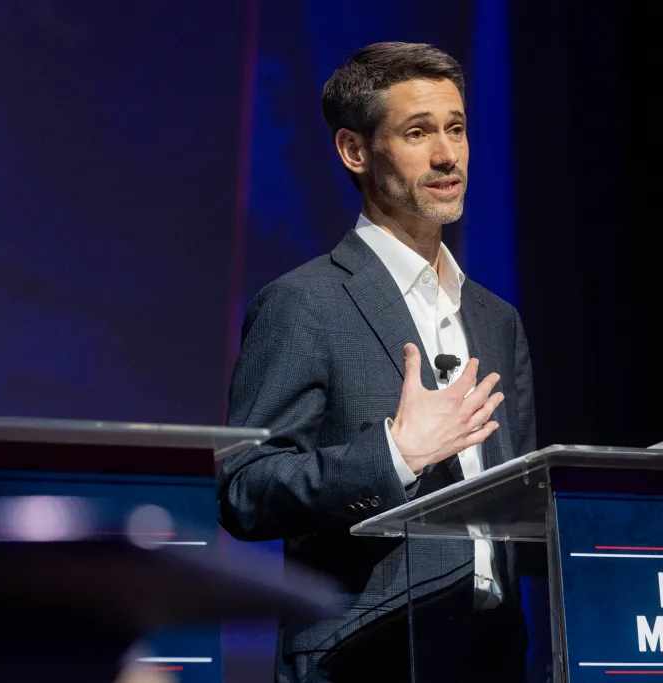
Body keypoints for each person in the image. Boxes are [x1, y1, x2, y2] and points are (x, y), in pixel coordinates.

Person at [217, 42, 536, 683]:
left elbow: (521, 510)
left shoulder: (497, 319)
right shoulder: (304, 302)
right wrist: (393, 455)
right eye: (418, 132)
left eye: (457, 128)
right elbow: (244, 490)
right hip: (365, 657)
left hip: (493, 656)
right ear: (355, 152)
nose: (447, 154)